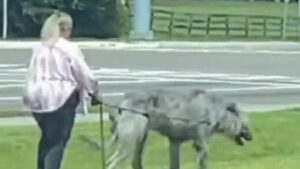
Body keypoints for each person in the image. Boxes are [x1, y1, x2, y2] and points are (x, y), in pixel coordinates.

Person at [22, 11, 101, 169]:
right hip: (61, 97)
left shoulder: (40, 48)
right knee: (58, 140)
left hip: (38, 98)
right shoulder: (68, 48)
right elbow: (82, 72)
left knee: (47, 139)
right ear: (66, 29)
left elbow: (32, 72)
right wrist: (94, 91)